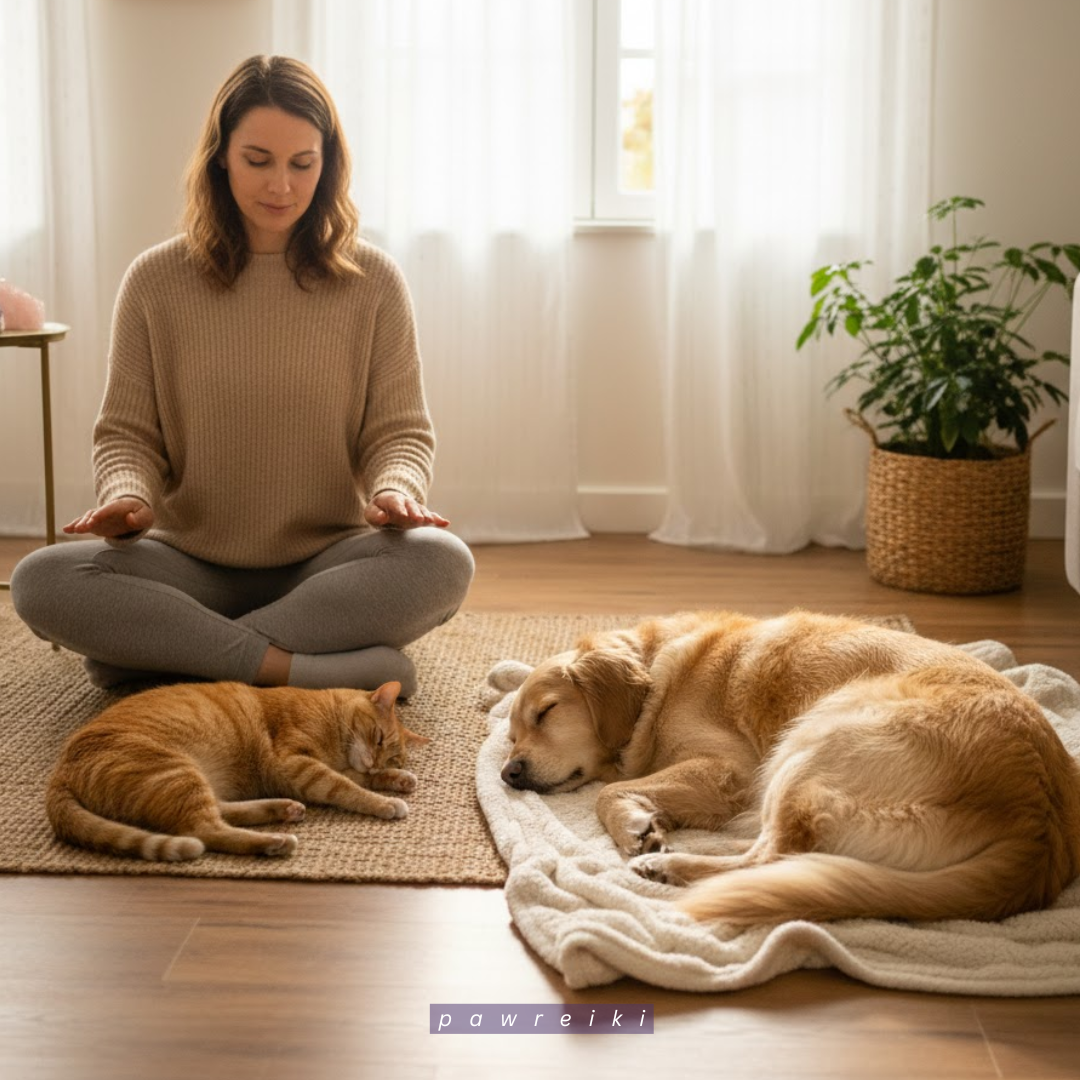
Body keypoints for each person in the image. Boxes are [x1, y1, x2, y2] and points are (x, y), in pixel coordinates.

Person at [11, 55, 474, 698]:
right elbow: (126, 434)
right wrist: (130, 496)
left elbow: (400, 431)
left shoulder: (374, 283)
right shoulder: (155, 280)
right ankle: (296, 668)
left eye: (301, 164)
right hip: (186, 561)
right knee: (42, 580)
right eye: (258, 160)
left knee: (441, 561)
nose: (280, 185)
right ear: (220, 157)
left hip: (324, 563)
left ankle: (169, 657)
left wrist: (396, 488)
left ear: (328, 164)